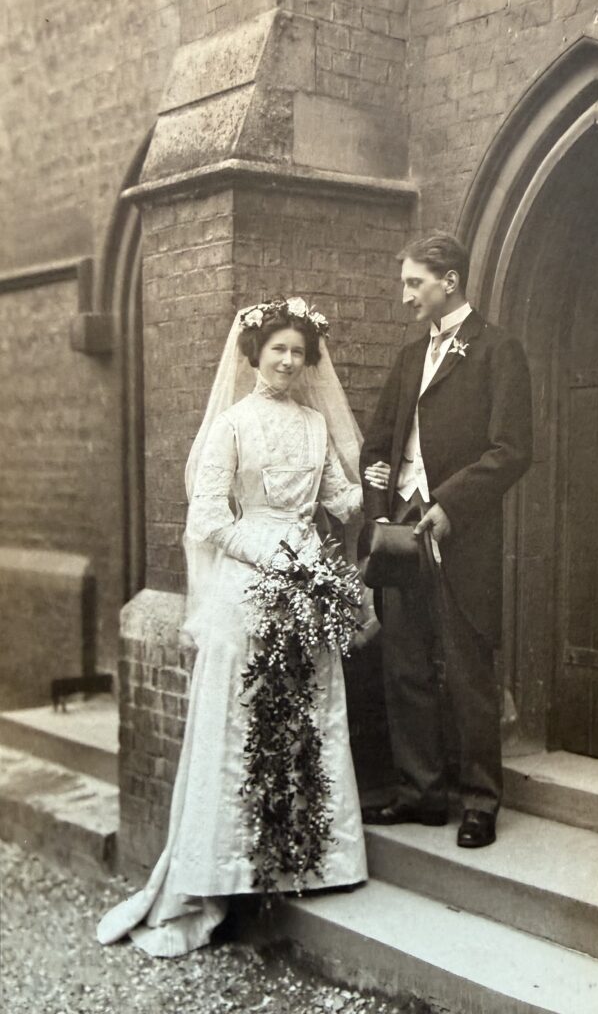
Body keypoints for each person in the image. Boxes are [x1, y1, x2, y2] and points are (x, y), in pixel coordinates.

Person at [97, 297, 375, 957]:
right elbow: (208, 519)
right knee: (243, 719)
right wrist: (273, 557)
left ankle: (308, 860)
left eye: (298, 352)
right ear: (254, 354)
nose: (289, 361)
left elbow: (336, 499)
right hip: (248, 587)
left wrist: (367, 486)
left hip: (304, 584)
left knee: (308, 714)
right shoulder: (232, 425)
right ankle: (230, 870)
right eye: (278, 349)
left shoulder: (314, 424)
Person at [360, 232, 532, 849]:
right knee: (404, 663)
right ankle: (422, 794)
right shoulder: (410, 357)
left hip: (462, 536)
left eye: (415, 283)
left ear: (449, 281)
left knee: (467, 671)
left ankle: (480, 802)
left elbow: (512, 449)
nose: (406, 296)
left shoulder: (497, 351)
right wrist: (380, 513)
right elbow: (377, 446)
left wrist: (450, 505)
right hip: (400, 531)